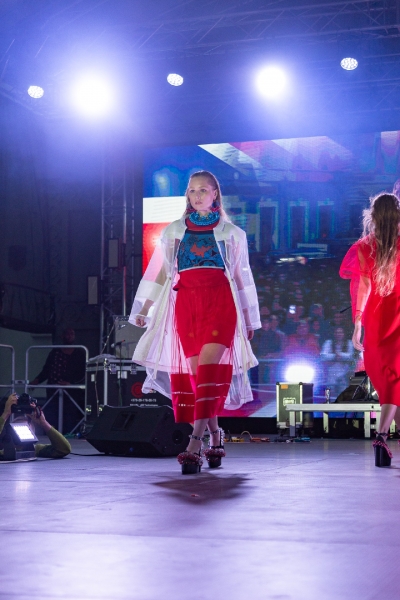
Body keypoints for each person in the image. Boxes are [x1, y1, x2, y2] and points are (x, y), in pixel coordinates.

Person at [129, 170, 260, 474]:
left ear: (215, 194)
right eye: (192, 190)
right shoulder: (174, 231)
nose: (197, 195)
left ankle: (194, 443)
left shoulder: (232, 233)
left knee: (208, 372)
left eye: (203, 190)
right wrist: (145, 307)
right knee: (199, 378)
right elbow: (162, 272)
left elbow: (241, 278)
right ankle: (216, 434)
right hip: (187, 305)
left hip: (221, 303)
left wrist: (248, 318)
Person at [340, 192, 400, 467]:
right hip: (395, 318)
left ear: (373, 216)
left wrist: (357, 323)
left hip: (375, 320)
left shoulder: (364, 247)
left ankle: (383, 440)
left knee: (391, 383)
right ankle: (381, 436)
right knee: (394, 384)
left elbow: (362, 287)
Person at [30, 328, 86, 433]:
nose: (69, 336)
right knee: (51, 415)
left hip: (71, 393)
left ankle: (68, 437)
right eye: (67, 334)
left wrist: (71, 384)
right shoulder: (55, 352)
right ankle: (51, 435)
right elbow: (47, 370)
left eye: (72, 334)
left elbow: (83, 373)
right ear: (62, 336)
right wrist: (36, 381)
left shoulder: (80, 353)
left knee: (69, 417)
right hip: (53, 390)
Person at [0, 393, 71, 459]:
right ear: (10, 430)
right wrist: (5, 414)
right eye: (18, 425)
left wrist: (44, 423)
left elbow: (63, 449)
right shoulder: (4, 452)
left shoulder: (35, 449)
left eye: (27, 427)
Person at [321, 326, 354, 396]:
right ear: (334, 334)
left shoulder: (349, 343)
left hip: (344, 374)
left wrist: (340, 355)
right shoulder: (328, 342)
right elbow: (323, 356)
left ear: (344, 334)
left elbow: (351, 356)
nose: (338, 334)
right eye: (337, 332)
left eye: (340, 332)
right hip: (331, 374)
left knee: (343, 395)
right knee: (330, 395)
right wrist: (334, 356)